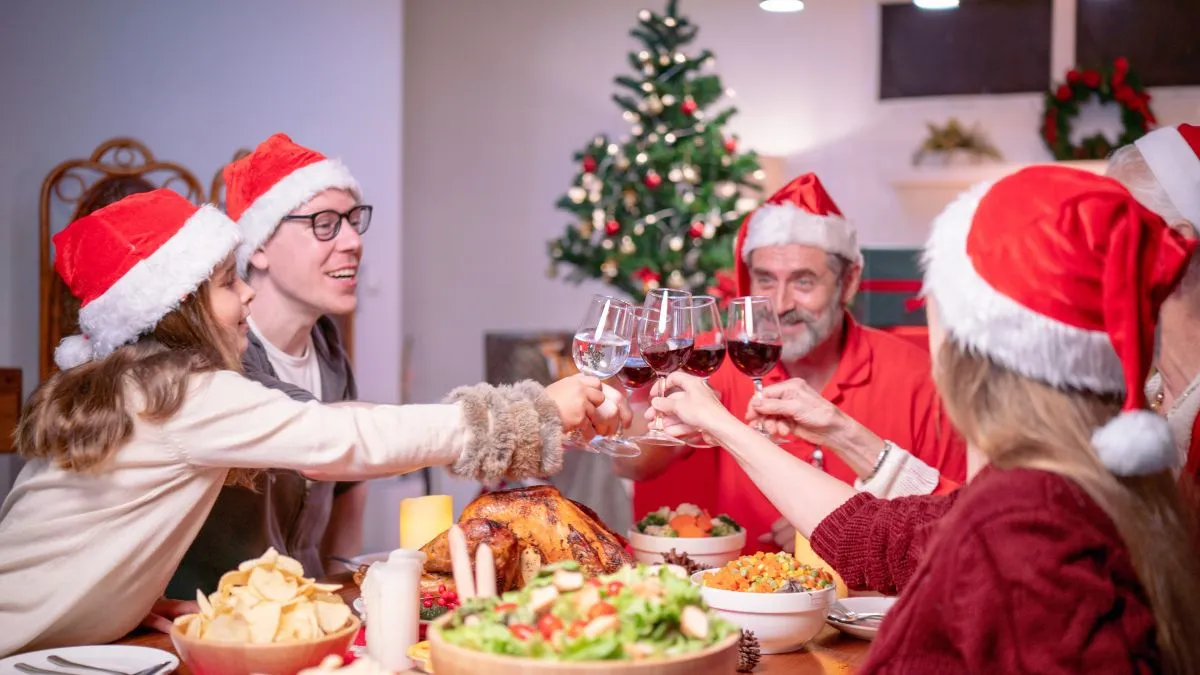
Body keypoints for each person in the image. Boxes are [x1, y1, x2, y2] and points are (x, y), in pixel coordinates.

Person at [0, 190, 620, 657]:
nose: (246, 295)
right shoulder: (183, 393)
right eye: (228, 284)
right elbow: (347, 439)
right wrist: (532, 414)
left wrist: (123, 601)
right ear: (181, 309)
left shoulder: (140, 386)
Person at [651, 166, 1200, 672]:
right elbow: (874, 534)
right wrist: (729, 426)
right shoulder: (1061, 486)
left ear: (966, 350)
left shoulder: (1027, 521)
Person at [616, 173, 966, 551]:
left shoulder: (919, 376)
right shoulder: (713, 359)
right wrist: (656, 417)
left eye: (803, 282)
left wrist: (834, 525)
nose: (781, 305)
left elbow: (957, 522)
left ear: (849, 282)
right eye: (766, 281)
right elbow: (633, 464)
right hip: (736, 584)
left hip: (872, 589)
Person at [168, 133, 371, 598]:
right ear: (258, 246)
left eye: (354, 220)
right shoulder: (216, 362)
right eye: (325, 224)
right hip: (214, 616)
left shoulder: (330, 352)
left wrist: (338, 589)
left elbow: (349, 485)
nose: (353, 241)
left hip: (306, 610)